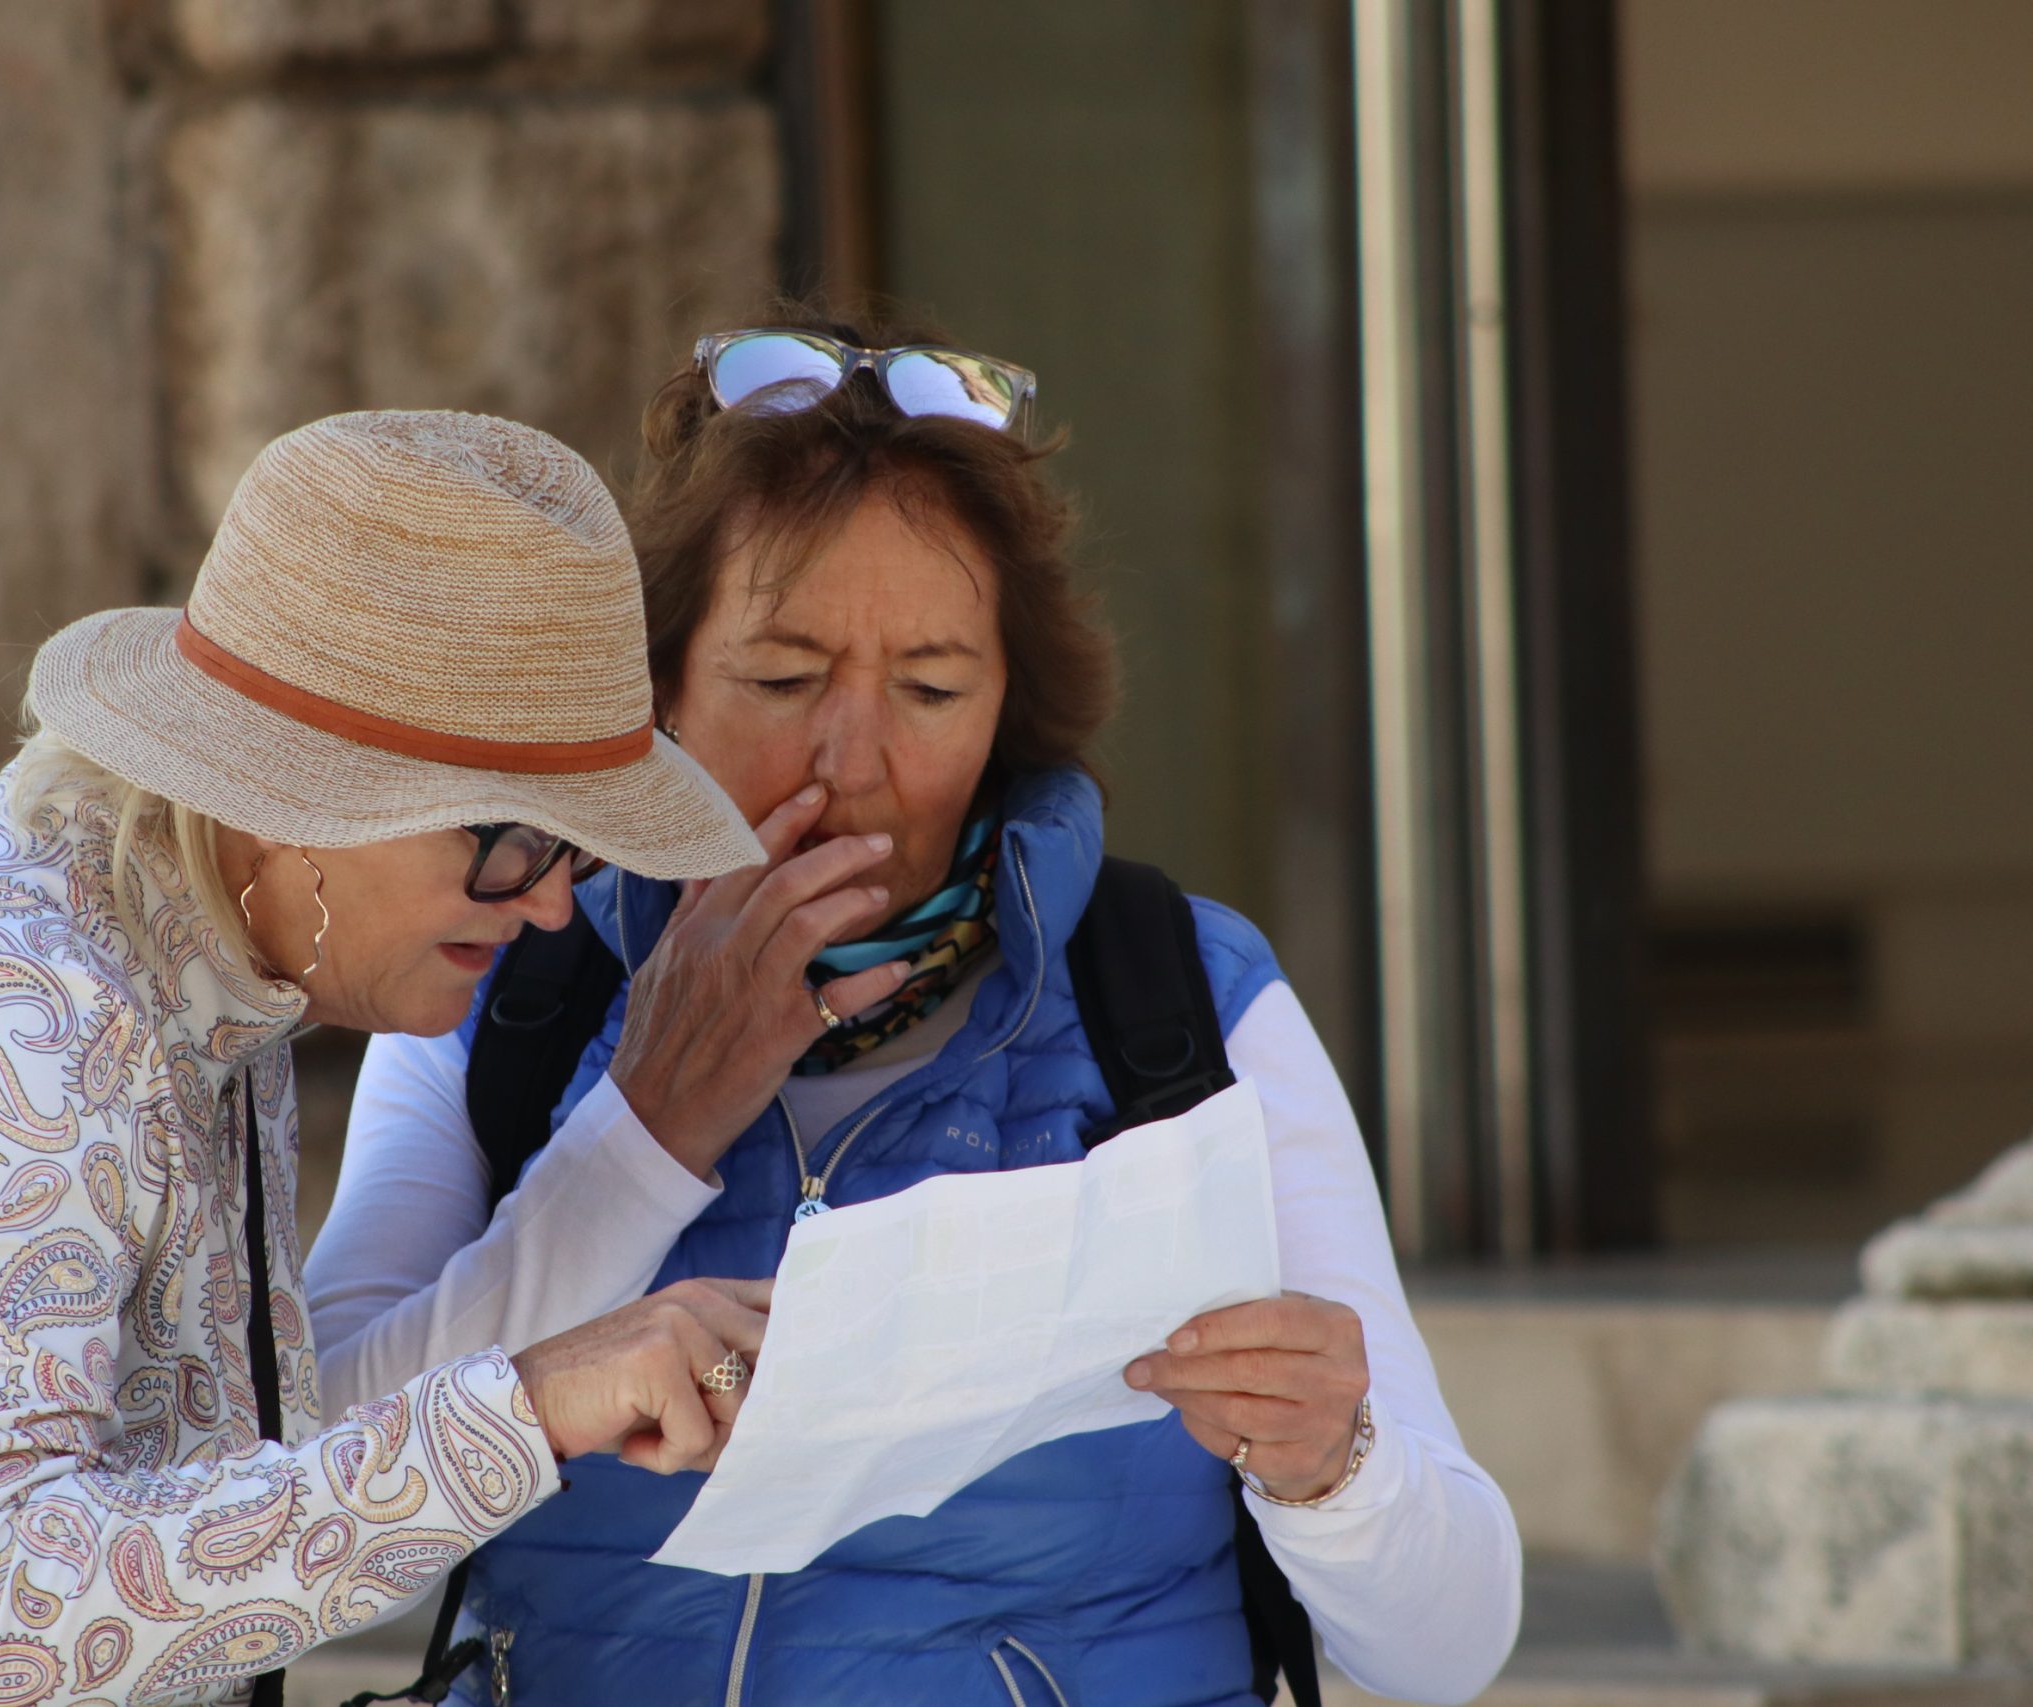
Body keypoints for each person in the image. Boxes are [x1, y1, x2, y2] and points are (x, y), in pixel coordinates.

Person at [302, 312, 1525, 1707]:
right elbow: (316, 1525)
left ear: (1008, 713)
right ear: (659, 692)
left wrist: (1330, 1467)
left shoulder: (1177, 998)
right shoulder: (515, 974)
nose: (856, 761)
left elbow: (1448, 1647)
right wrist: (644, 1130)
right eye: (781, 679)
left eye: (933, 688)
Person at [0, 411, 781, 1707]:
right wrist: (531, 1405)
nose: (549, 903)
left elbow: (233, 1488)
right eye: (510, 843)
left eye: (575, 848)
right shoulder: (21, 1015)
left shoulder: (193, 949)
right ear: (304, 798)